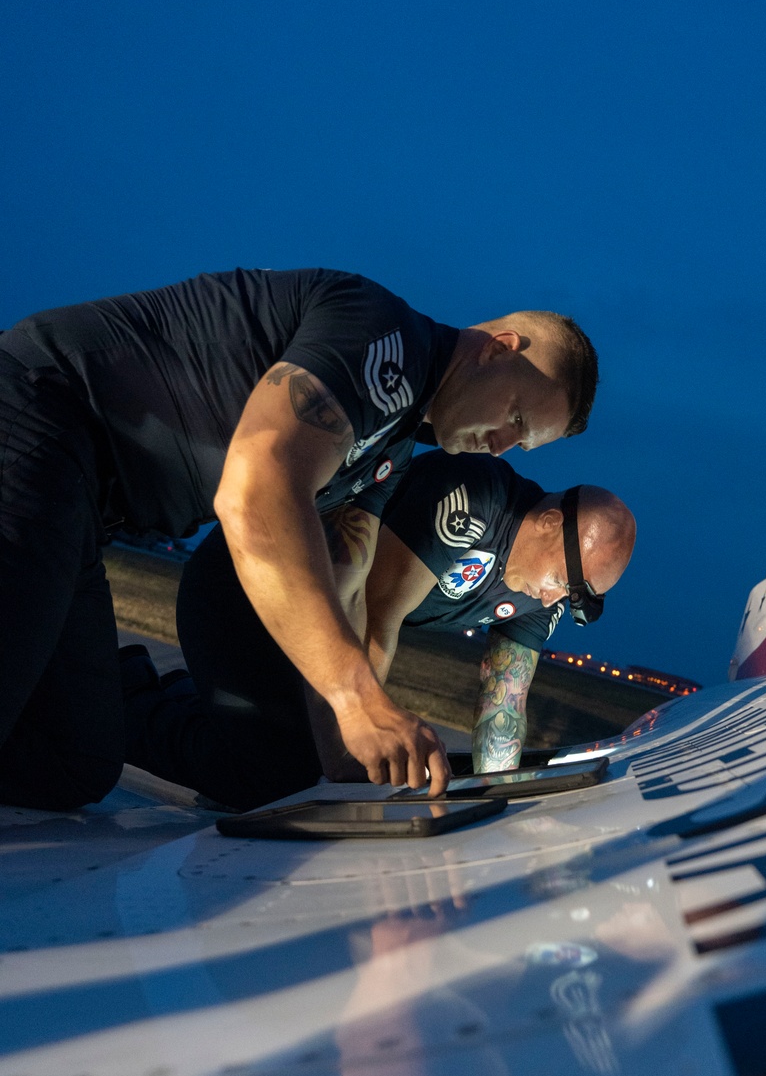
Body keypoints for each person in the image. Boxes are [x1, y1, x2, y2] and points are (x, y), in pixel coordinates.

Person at [0, 268, 597, 809]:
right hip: (38, 420)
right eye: (517, 418)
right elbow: (256, 494)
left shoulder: (388, 447)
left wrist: (339, 751)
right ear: (498, 348)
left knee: (75, 765)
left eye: (520, 444)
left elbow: (348, 588)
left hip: (81, 515)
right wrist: (355, 698)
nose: (500, 445)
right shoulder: (386, 337)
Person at [122, 451, 635, 809]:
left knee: (287, 767)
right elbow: (373, 620)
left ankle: (174, 697)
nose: (553, 600)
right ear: (548, 522)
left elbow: (505, 702)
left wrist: (492, 798)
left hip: (313, 635)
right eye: (563, 582)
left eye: (572, 601)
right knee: (273, 783)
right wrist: (348, 756)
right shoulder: (475, 498)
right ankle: (116, 699)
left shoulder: (540, 598)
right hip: (247, 591)